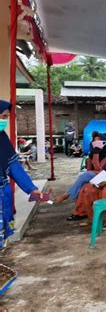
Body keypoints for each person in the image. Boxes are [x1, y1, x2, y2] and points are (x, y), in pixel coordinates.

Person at [0, 100, 44, 249]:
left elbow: (14, 167)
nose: (4, 121)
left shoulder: (2, 140)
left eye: (5, 118)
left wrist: (31, 188)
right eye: (2, 116)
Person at [54, 132, 106, 208]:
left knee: (86, 175)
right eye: (94, 141)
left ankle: (66, 195)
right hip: (93, 177)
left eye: (99, 141)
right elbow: (89, 170)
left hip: (104, 178)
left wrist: (96, 154)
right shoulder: (91, 155)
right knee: (82, 179)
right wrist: (94, 154)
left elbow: (101, 171)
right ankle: (79, 208)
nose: (96, 143)